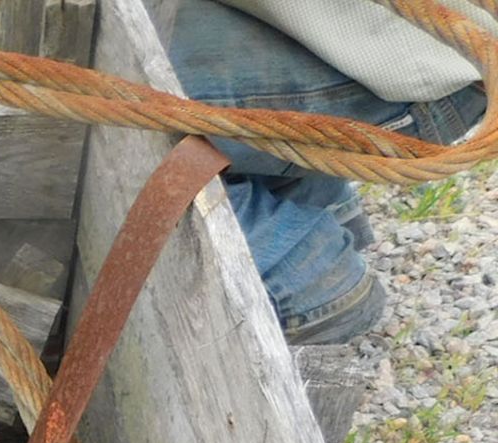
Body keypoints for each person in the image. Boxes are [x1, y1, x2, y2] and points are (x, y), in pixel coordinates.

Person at [166, 0, 490, 342]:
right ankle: (304, 193)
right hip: (347, 34)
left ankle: (304, 274)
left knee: (125, 111)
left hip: (411, 58)